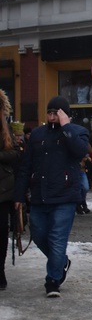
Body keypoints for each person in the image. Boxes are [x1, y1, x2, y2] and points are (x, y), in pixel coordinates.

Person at [14, 95, 90, 297]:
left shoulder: (78, 132)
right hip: (39, 195)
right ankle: (61, 262)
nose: (52, 116)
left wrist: (66, 128)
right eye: (50, 112)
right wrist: (19, 195)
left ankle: (53, 280)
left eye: (57, 112)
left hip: (65, 196)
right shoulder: (38, 134)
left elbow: (80, 152)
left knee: (57, 239)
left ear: (65, 114)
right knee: (38, 235)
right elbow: (25, 166)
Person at [0, 93, 23, 290]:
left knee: (1, 234)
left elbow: (16, 154)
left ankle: (0, 271)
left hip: (3, 190)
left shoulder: (4, 127)